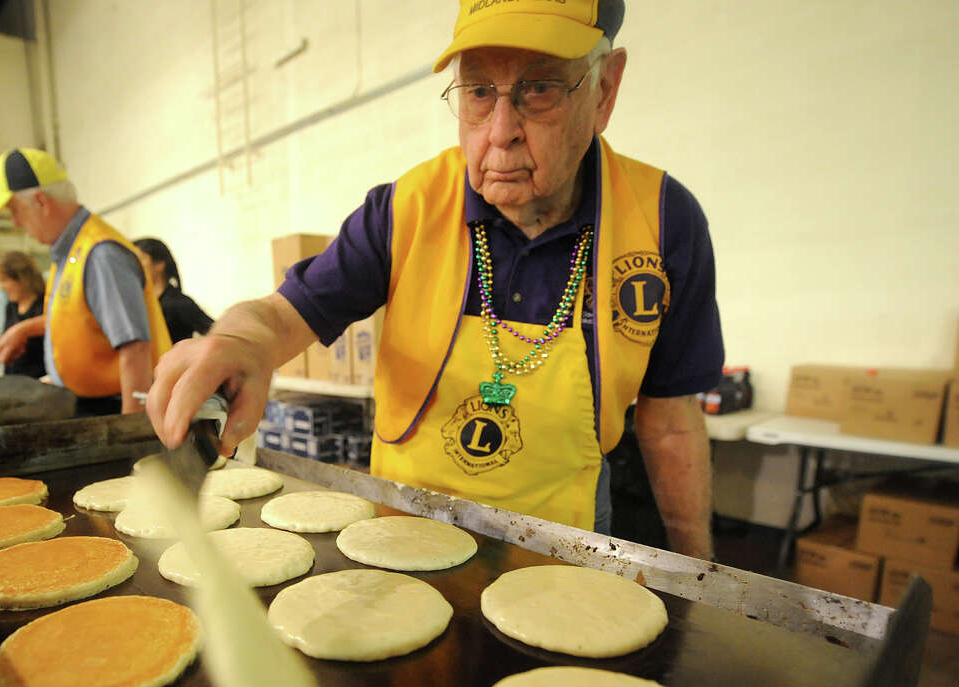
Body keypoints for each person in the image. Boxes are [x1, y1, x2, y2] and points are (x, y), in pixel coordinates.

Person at [146, 0, 723, 560]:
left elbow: (671, 422)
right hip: (404, 530)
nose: (500, 132)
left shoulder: (661, 222)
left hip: (564, 544)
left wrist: (705, 583)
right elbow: (278, 317)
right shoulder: (405, 212)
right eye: (477, 92)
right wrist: (239, 342)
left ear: (604, 90)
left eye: (539, 88)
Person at [0, 148, 172, 415]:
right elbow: (78, 318)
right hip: (89, 404)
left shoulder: (100, 254)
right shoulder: (70, 254)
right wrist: (23, 329)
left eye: (15, 211)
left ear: (41, 202)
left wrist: (132, 432)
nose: (15, 222)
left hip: (113, 408)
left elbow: (135, 348)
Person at [133, 238, 214, 343]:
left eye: (139, 260)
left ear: (159, 264)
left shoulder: (179, 304)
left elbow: (217, 334)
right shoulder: (140, 303)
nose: (133, 266)